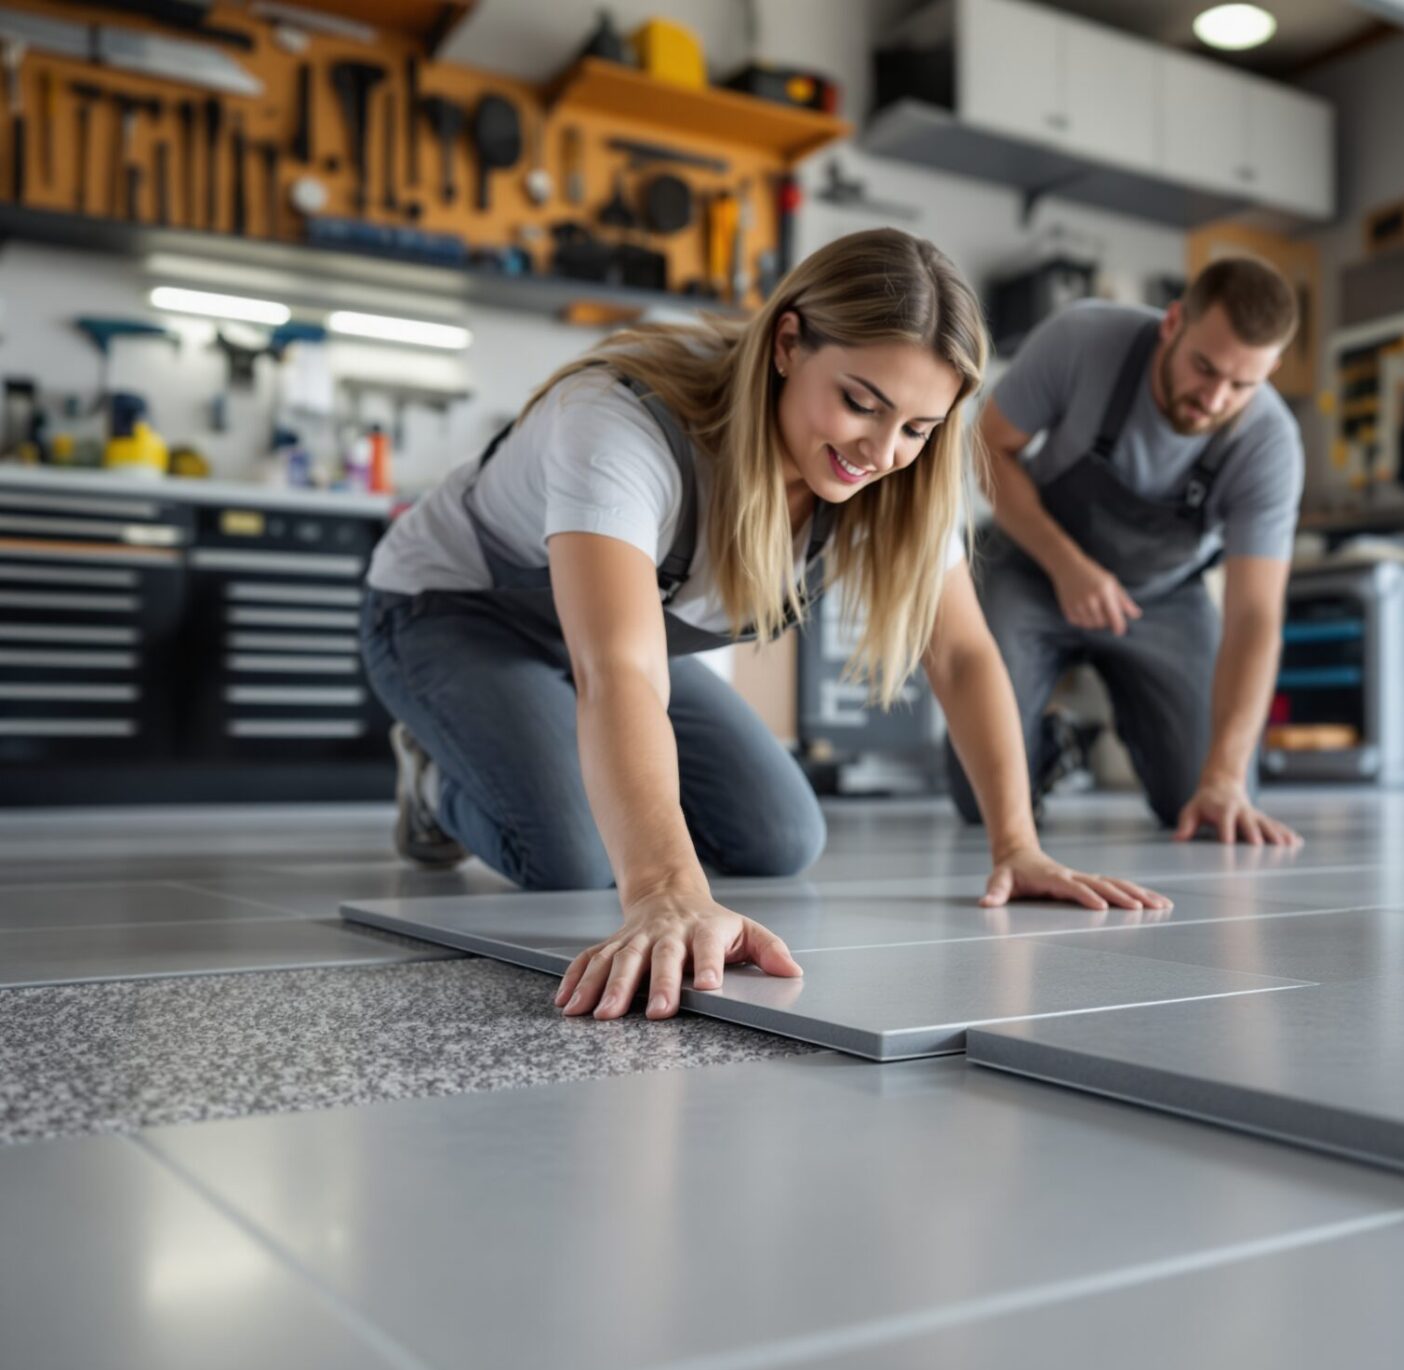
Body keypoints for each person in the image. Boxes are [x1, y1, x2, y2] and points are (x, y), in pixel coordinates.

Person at [360, 228, 1169, 1023]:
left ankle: (545, 744)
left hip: (606, 647)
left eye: (918, 429)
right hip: (451, 614)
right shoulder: (621, 423)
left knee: (781, 835)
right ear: (787, 342)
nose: (883, 451)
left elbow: (959, 654)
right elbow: (621, 672)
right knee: (571, 855)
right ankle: (434, 779)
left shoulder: (900, 476)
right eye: (861, 402)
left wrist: (1017, 845)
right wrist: (663, 891)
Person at [952, 257, 1307, 846]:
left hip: (1163, 597)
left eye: (1243, 385)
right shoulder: (1083, 340)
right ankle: (1050, 742)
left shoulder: (1271, 444)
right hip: (1034, 563)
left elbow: (1254, 617)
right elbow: (989, 450)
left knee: (1202, 803)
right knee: (979, 795)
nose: (1215, 399)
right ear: (1172, 324)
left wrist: (1223, 775)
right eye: (1204, 367)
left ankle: (1154, 728)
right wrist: (1067, 565)